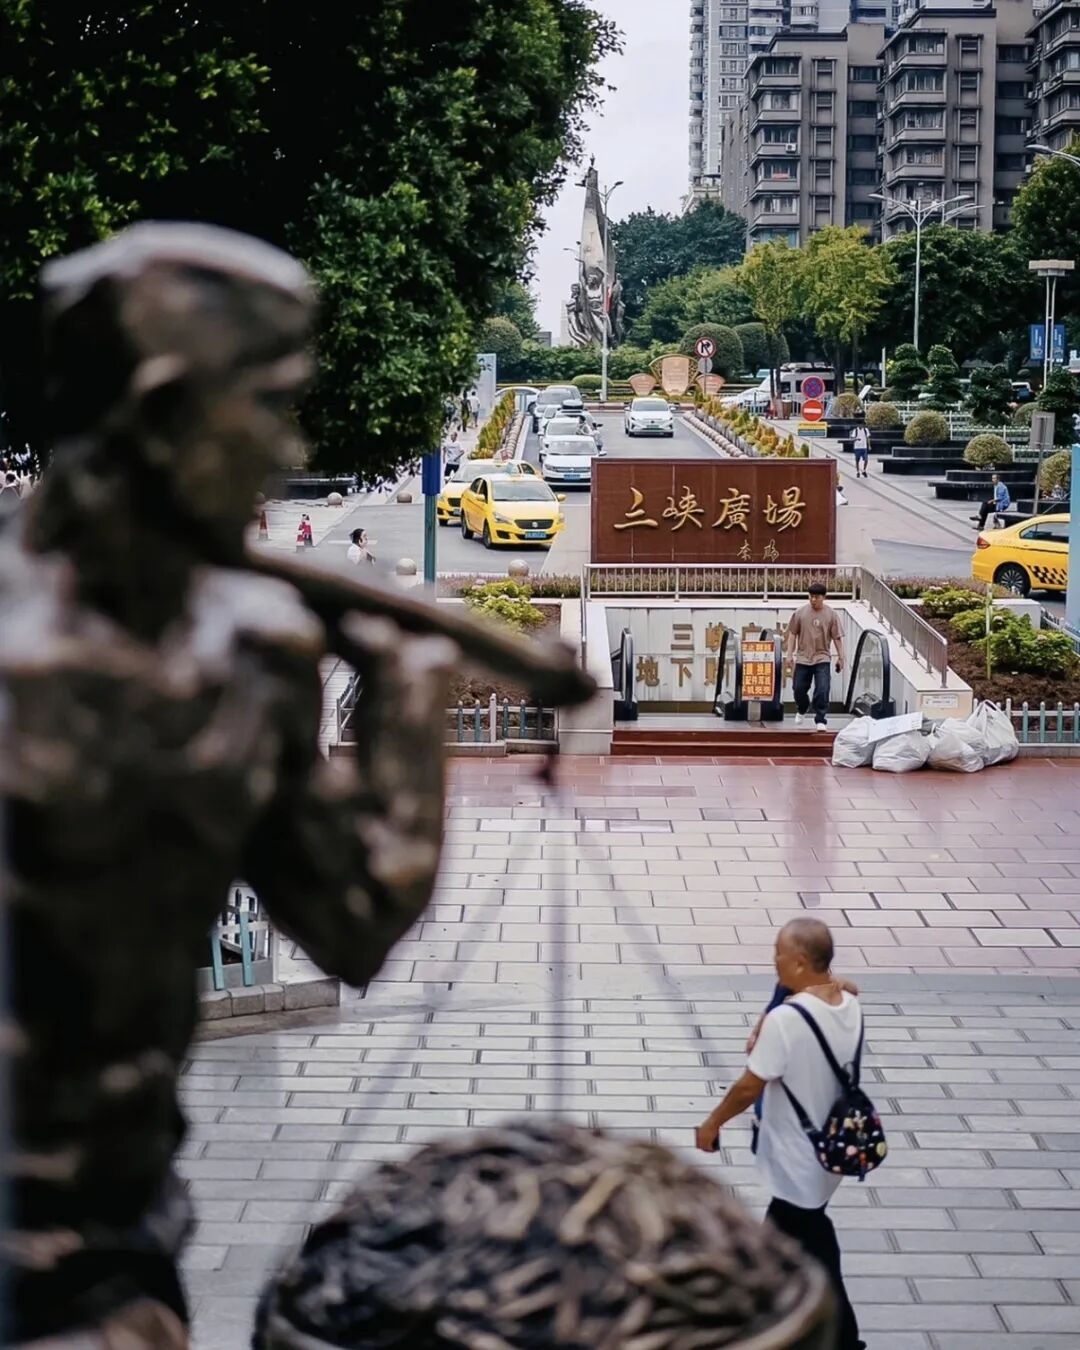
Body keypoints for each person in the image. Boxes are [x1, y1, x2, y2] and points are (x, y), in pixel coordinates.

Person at [696, 919, 866, 1350]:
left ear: (801, 962)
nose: (773, 961)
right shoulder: (848, 1004)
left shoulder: (788, 1021)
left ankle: (840, 1338)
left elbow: (748, 1086)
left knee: (804, 1245)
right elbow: (839, 987)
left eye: (779, 954)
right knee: (792, 1242)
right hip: (829, 1150)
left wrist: (712, 1123)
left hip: (796, 1158)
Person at [786, 583, 844, 731]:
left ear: (824, 597)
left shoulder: (831, 615)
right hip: (803, 657)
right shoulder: (800, 613)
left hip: (822, 657)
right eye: (811, 596)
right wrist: (789, 655)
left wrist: (841, 657)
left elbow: (837, 637)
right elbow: (792, 634)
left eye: (816, 597)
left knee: (823, 689)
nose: (813, 600)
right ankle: (802, 708)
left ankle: (821, 718)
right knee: (798, 688)